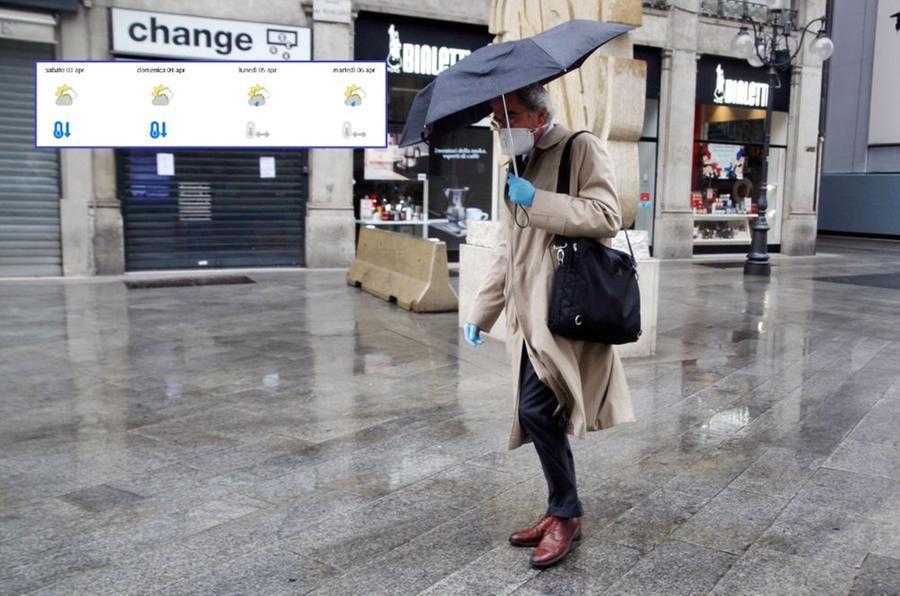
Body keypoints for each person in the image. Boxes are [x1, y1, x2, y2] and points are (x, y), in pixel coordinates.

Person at [463, 83, 634, 568]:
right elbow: (507, 249)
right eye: (497, 120)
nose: (502, 128)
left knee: (539, 411)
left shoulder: (581, 147)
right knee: (539, 412)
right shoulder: (515, 166)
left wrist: (538, 199)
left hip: (563, 311)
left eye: (509, 115)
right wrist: (482, 312)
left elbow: (607, 215)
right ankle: (561, 508)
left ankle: (566, 513)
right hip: (528, 316)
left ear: (538, 117)